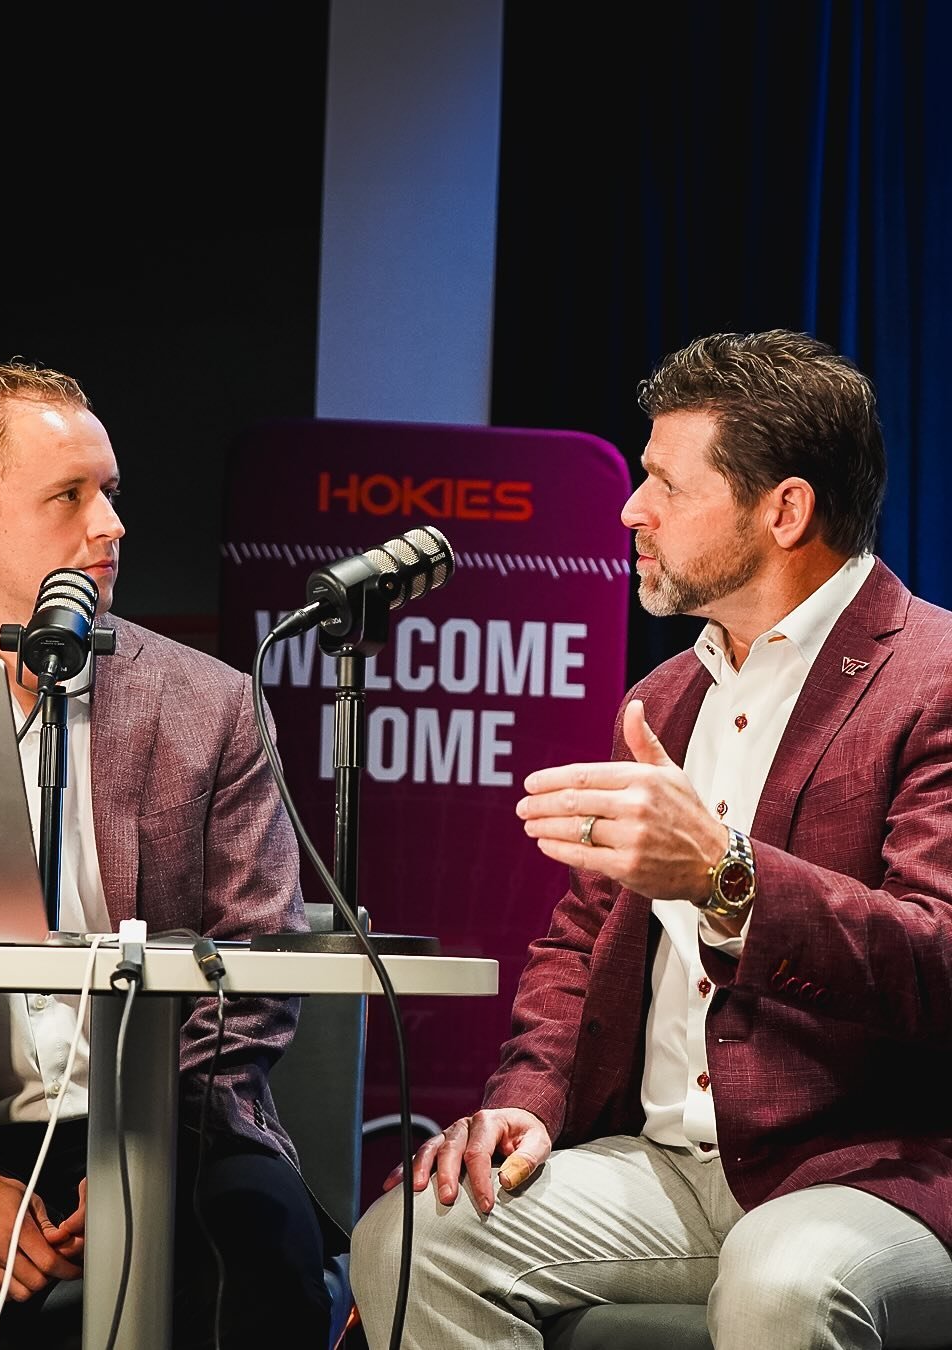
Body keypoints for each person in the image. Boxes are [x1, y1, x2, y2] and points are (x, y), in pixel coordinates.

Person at [349, 329, 952, 1349]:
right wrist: (528, 1102)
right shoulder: (666, 698)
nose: (632, 508)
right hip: (669, 1167)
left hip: (876, 1163)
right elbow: (580, 945)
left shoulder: (931, 679)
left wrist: (730, 881)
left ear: (786, 508)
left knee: (784, 1282)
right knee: (413, 1237)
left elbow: (936, 957)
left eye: (666, 483)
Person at [0, 358, 333, 1348]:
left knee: (261, 1254)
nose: (110, 523)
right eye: (69, 495)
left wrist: (135, 1169)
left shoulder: (210, 707)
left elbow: (256, 970)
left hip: (175, 1117)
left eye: (110, 492)